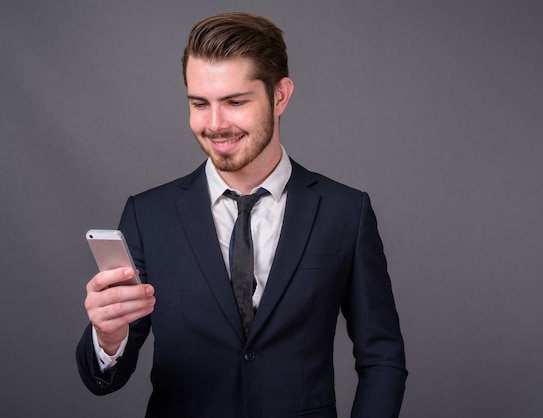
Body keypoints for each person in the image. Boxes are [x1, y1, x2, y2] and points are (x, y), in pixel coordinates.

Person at [76, 12, 407, 418]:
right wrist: (108, 337)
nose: (215, 125)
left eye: (234, 102)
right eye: (200, 103)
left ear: (280, 96)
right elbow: (106, 377)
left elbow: (383, 357)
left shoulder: (346, 212)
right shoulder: (147, 215)